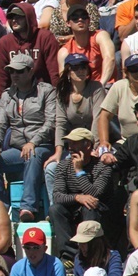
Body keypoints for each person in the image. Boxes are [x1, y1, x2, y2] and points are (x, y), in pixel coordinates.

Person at [0, 53, 55, 222]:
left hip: (43, 146)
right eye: (11, 71)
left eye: (19, 71)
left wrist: (33, 142)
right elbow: (0, 124)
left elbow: (51, 122)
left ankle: (28, 207)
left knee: (32, 154)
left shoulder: (46, 91)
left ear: (30, 71)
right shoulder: (7, 95)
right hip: (17, 149)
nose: (14, 75)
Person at [44, 53, 106, 200]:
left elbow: (98, 119)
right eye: (76, 68)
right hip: (73, 145)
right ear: (68, 71)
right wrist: (58, 151)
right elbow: (60, 122)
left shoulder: (96, 88)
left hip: (92, 144)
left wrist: (93, 147)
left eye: (83, 67)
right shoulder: (61, 91)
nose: (81, 71)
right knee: (51, 168)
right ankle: (56, 207)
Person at [48, 128, 114, 259]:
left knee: (89, 206)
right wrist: (78, 197)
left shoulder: (102, 167)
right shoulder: (63, 166)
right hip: (73, 206)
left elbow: (95, 193)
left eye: (74, 143)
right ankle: (69, 255)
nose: (70, 148)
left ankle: (91, 253)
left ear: (88, 145)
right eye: (69, 144)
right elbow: (57, 196)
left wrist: (79, 171)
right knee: (55, 209)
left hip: (97, 209)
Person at [0, 3, 60, 97]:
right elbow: (2, 77)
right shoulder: (5, 42)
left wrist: (57, 96)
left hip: (42, 93)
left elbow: (54, 72)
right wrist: (1, 99)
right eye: (11, 17)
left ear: (28, 18)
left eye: (19, 17)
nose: (14, 20)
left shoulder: (45, 37)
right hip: (16, 94)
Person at [98, 54, 138, 146]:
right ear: (126, 72)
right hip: (126, 142)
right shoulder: (119, 87)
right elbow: (104, 117)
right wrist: (104, 141)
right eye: (134, 70)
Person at [57, 5, 115, 86]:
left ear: (88, 21)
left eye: (83, 16)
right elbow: (64, 79)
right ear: (68, 23)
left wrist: (100, 86)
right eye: (75, 17)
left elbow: (110, 59)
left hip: (105, 85)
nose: (80, 19)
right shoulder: (64, 51)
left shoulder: (100, 36)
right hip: (80, 89)